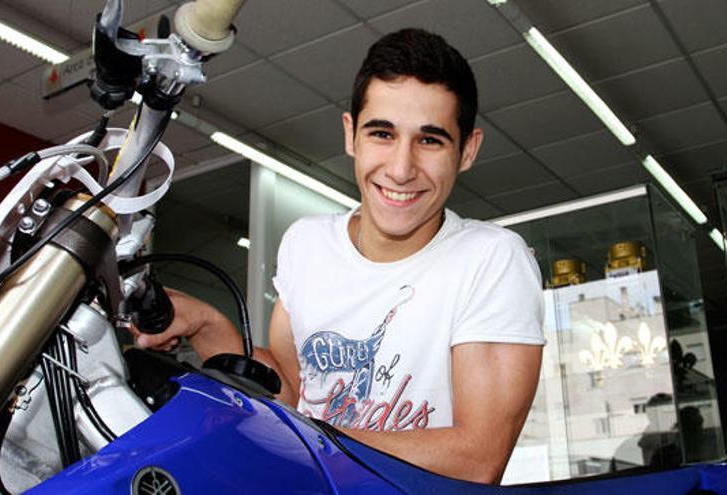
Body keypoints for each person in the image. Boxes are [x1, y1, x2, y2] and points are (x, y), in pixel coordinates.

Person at [133, 28, 545, 485]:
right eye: (382, 133)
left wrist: (303, 438)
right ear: (352, 135)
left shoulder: (490, 260)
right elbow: (289, 391)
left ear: (467, 150)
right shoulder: (305, 244)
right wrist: (207, 323)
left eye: (430, 140)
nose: (401, 168)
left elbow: (476, 458)